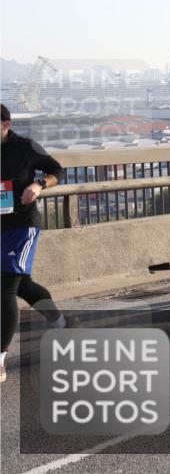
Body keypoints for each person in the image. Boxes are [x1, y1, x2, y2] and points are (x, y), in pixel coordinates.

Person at [1, 104, 73, 383]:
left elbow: (58, 170)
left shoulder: (26, 147)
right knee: (23, 285)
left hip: (21, 227)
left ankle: (1, 360)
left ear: (5, 125)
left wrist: (39, 185)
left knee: (5, 287)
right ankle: (62, 323)